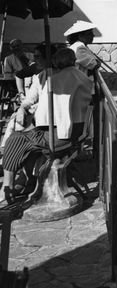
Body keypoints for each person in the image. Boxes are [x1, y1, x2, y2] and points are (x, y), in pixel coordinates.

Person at [2, 48, 93, 201]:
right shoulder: (81, 77)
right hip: (75, 133)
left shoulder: (55, 81)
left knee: (16, 139)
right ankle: (24, 181)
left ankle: (7, 186)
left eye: (38, 57)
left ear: (54, 60)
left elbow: (45, 112)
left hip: (61, 137)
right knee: (24, 137)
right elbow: (33, 103)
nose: (35, 60)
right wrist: (23, 108)